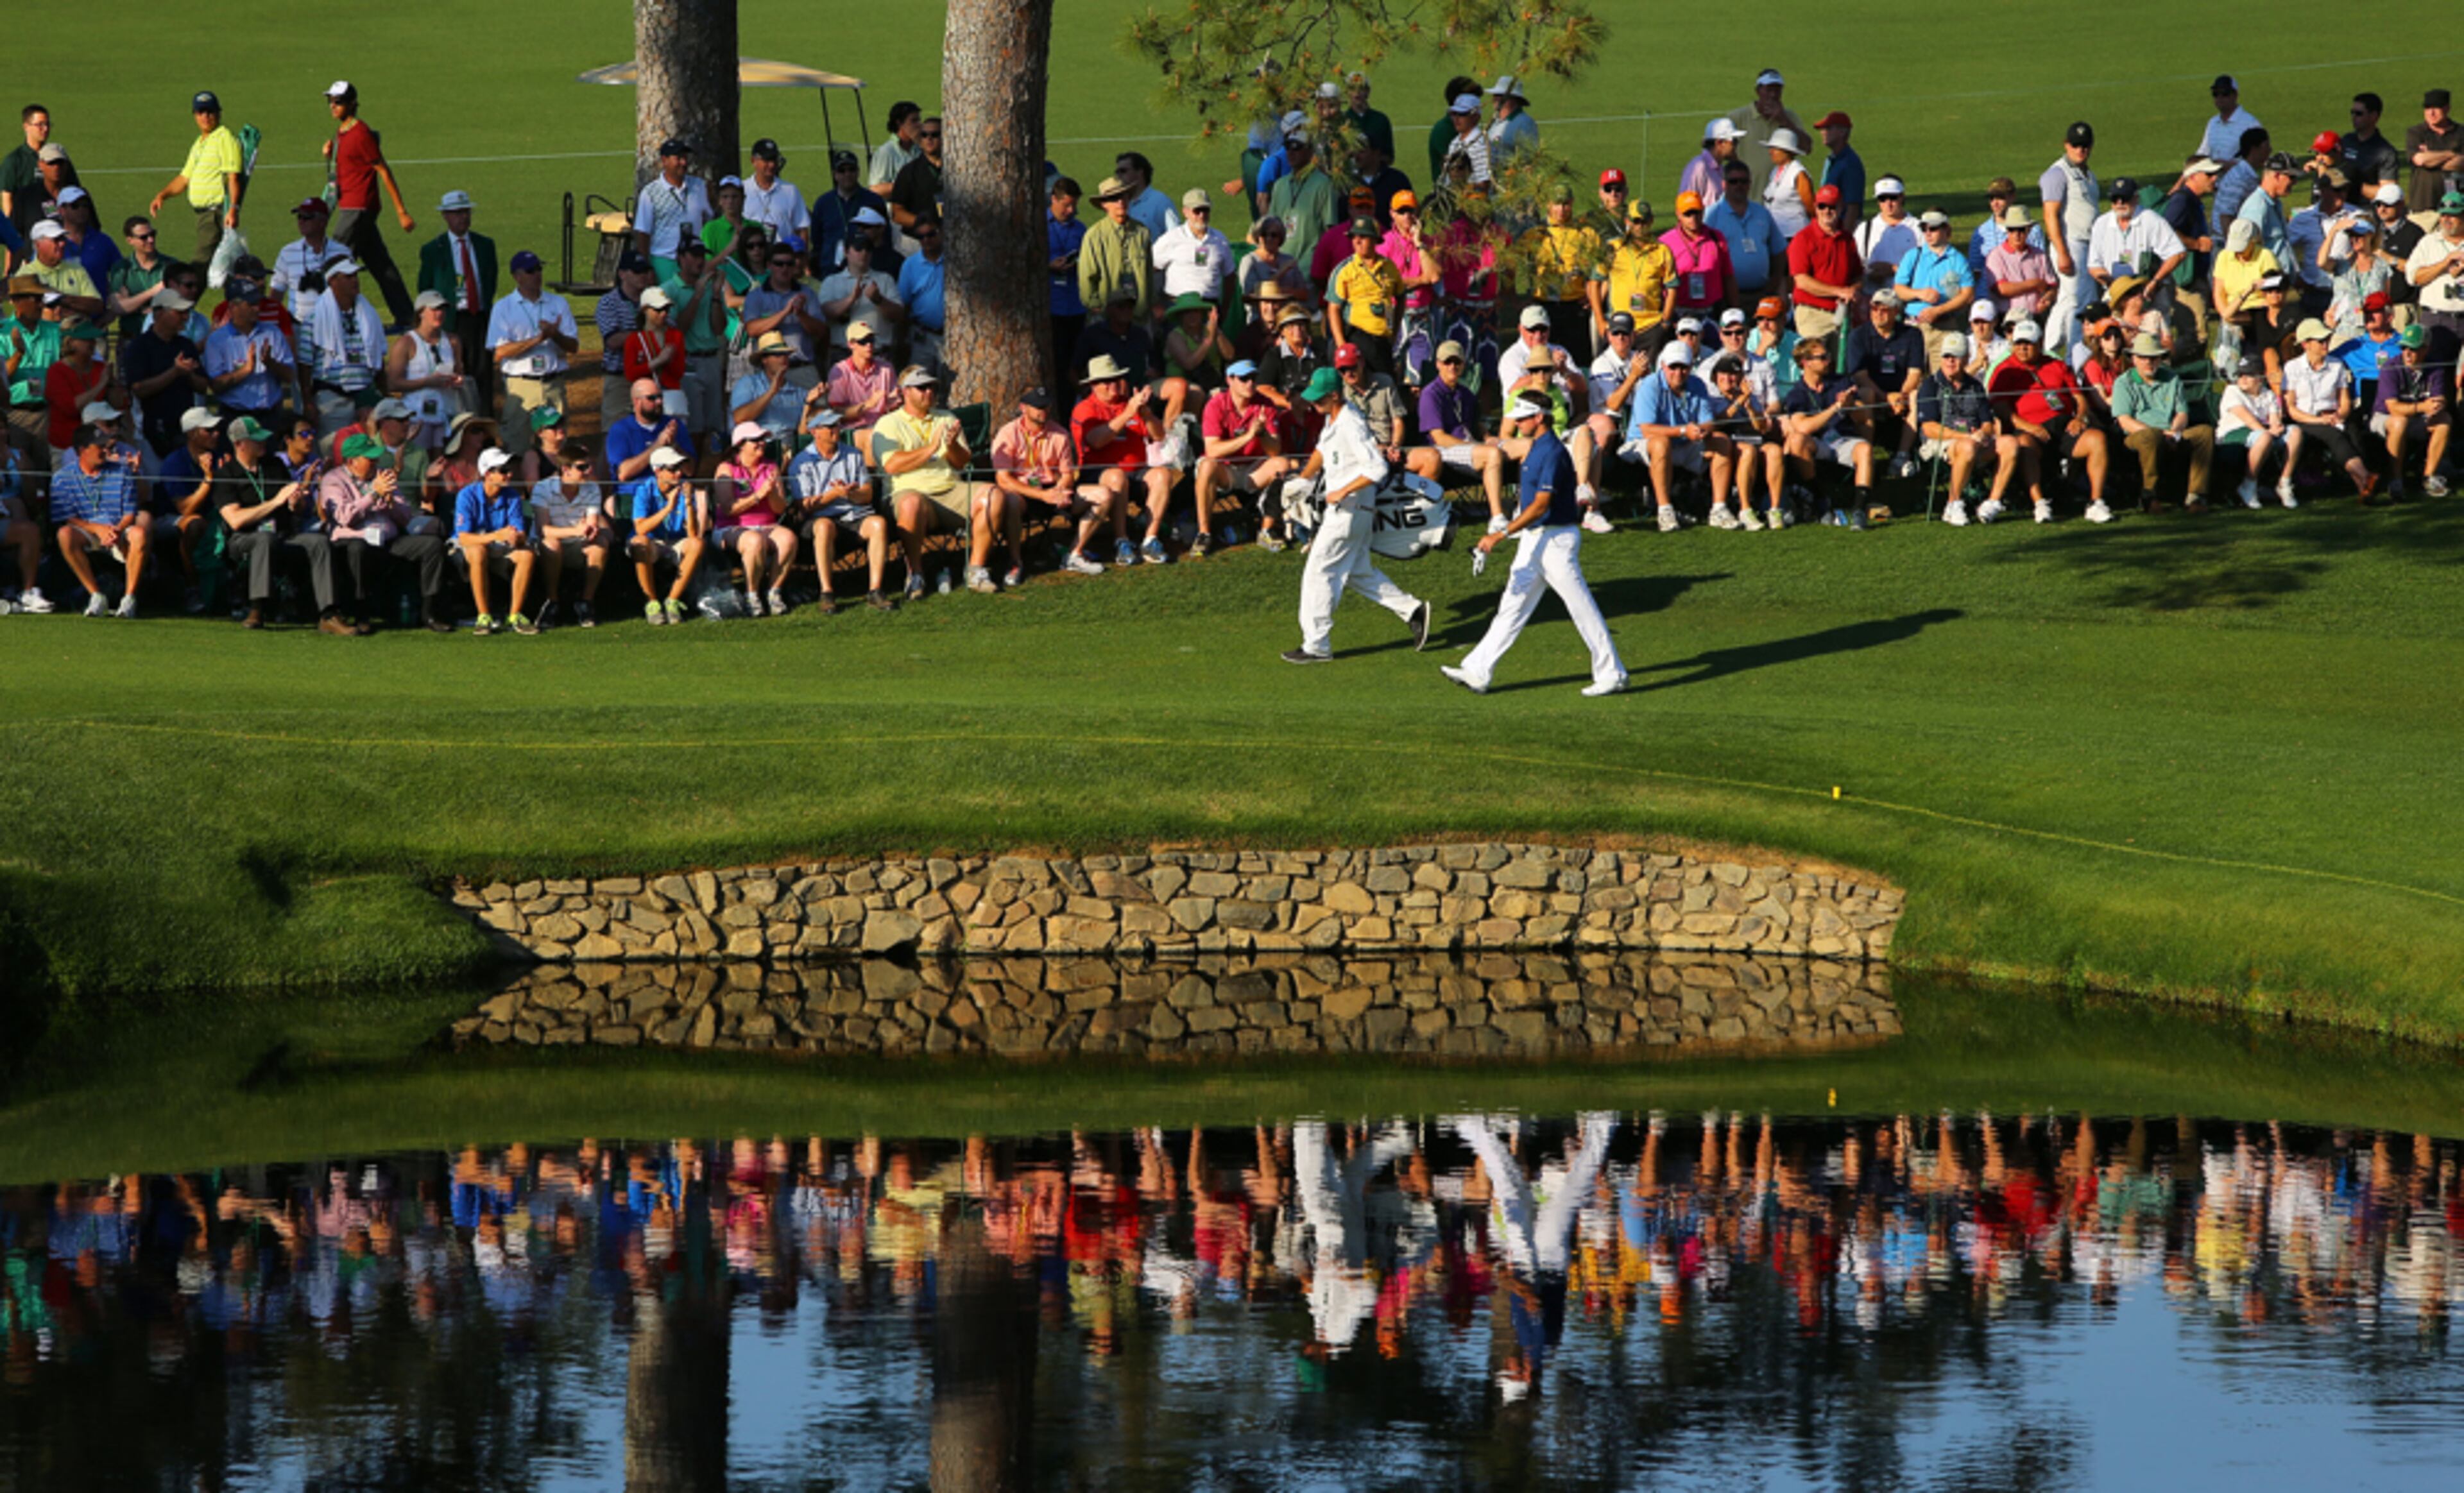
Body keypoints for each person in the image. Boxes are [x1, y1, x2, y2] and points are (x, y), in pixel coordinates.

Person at [1443, 392, 1625, 696]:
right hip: (1534, 540)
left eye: (1524, 417)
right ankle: (1478, 670)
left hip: (1555, 540)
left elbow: (1541, 505)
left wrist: (1500, 534)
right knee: (1511, 605)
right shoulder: (1535, 449)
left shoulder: (1552, 452)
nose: (1518, 422)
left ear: (1539, 418)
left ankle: (1612, 673)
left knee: (1580, 606)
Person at [1284, 366, 1428, 665]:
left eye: (1319, 399)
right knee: (1357, 573)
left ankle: (1317, 645)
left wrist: (1342, 491)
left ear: (1335, 395)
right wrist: (1303, 479)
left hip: (1348, 511)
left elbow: (1377, 468)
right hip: (1350, 513)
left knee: (1318, 572)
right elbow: (1321, 453)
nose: (1314, 404)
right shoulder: (1333, 418)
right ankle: (1412, 610)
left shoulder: (1351, 422)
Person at [213, 415, 343, 631]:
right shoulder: (226, 475)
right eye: (256, 440)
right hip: (244, 539)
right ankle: (257, 608)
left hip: (283, 535)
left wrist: (296, 503)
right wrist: (276, 502)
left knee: (319, 543)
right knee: (264, 539)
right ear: (239, 444)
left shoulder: (274, 465)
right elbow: (235, 520)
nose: (263, 443)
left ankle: (329, 613)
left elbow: (296, 509)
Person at [318, 431, 450, 629]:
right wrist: (373, 495)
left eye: (375, 457)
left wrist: (391, 504)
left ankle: (429, 613)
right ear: (352, 461)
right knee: (357, 548)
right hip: (354, 539)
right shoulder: (333, 480)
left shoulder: (383, 476)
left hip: (388, 540)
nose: (375, 461)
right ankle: (361, 614)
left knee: (431, 545)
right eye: (369, 458)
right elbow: (343, 518)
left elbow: (406, 519)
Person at [1988, 320, 2110, 523]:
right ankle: (2040, 503)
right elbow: (2001, 407)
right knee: (2024, 444)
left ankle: (2096, 502)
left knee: (2097, 439)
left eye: (2028, 343)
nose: (2023, 348)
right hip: (2028, 429)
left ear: (2040, 342)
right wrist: (2028, 427)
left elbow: (2079, 398)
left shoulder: (2057, 365)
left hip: (2063, 424)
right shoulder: (2005, 370)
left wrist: (2079, 418)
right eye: (2019, 343)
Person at [321, 82, 416, 327]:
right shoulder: (343, 132)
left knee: (334, 262)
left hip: (358, 208)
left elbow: (383, 170)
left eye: (338, 101)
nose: (333, 106)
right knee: (380, 264)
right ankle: (406, 316)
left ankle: (334, 318)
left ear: (352, 103)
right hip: (353, 206)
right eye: (331, 101)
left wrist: (401, 212)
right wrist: (328, 157)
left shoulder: (361, 133)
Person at [988, 384, 1106, 579]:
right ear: (1023, 408)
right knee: (1011, 502)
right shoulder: (1008, 434)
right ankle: (1015, 561)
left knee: (1104, 495)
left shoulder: (1060, 433)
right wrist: (1043, 495)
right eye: (1038, 406)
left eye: (1047, 405)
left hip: (1053, 489)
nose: (1045, 411)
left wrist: (1062, 489)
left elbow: (1067, 473)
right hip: (1023, 492)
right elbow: (1003, 479)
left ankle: (1075, 554)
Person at [1070, 353, 1174, 568]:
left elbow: (1159, 436)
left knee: (1163, 474)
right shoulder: (1085, 409)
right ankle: (1122, 541)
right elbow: (1096, 441)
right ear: (1093, 385)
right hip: (1099, 473)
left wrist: (1146, 414)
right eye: (1107, 381)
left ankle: (1150, 539)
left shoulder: (1131, 404)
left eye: (1116, 379)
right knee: (1117, 477)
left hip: (1137, 471)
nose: (1113, 385)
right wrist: (1128, 414)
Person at [785, 405, 892, 611]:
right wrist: (833, 495)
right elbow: (804, 505)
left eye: (837, 425)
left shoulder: (853, 455)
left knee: (878, 524)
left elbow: (867, 494)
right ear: (814, 431)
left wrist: (851, 494)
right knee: (824, 526)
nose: (836, 429)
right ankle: (827, 592)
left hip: (854, 516)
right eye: (830, 426)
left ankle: (875, 590)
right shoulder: (801, 463)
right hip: (819, 521)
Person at [1627, 342, 1733, 533]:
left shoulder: (1697, 384)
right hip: (1641, 446)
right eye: (1673, 367)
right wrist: (1684, 431)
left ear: (1691, 367)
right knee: (1661, 444)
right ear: (1663, 366)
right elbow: (1647, 430)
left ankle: (1719, 508)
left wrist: (1703, 431)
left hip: (1684, 442)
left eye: (1683, 367)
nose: (1679, 372)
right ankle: (1665, 510)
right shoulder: (1649, 385)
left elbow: (1708, 421)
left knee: (1722, 441)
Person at [1917, 334, 2018, 527]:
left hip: (1974, 440)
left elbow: (1987, 422)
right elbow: (1929, 428)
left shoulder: (1975, 386)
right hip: (1941, 442)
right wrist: (1964, 437)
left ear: (1966, 358)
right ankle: (1953, 504)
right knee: (1967, 447)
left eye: (1956, 356)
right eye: (1947, 356)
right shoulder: (1930, 386)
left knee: (2010, 443)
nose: (1950, 361)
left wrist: (1983, 433)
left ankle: (1992, 503)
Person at [1190, 361, 1288, 556]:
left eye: (1253, 378)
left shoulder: (1265, 404)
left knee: (1282, 464)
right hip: (1225, 469)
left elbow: (1275, 450)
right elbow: (1212, 450)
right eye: (1244, 379)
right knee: (1207, 465)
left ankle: (1267, 530)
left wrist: (1262, 435)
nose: (1250, 383)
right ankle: (1204, 533)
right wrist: (1250, 436)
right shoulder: (1215, 405)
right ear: (1230, 380)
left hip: (1254, 467)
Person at [51, 423, 149, 616]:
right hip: (87, 531)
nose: (106, 450)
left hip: (118, 529)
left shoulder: (122, 472)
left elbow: (130, 513)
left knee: (139, 533)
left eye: (107, 446)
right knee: (65, 534)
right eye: (100, 446)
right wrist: (97, 529)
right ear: (82, 451)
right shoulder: (62, 477)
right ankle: (96, 595)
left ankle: (129, 599)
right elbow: (66, 518)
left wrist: (117, 530)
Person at [2111, 332, 2215, 513]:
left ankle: (2196, 496)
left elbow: (2182, 412)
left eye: (2153, 358)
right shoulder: (2123, 383)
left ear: (2160, 358)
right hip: (2138, 436)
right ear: (2134, 359)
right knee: (2150, 437)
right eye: (2143, 358)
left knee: (2205, 433)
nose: (2149, 362)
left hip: (2171, 431)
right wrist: (2158, 433)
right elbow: (2124, 420)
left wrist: (2175, 432)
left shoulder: (2172, 378)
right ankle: (2149, 495)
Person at [486, 251, 576, 456]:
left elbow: (573, 346)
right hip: (522, 386)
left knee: (558, 450)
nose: (537, 274)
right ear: (516, 276)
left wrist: (555, 335)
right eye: (530, 271)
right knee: (518, 448)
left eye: (539, 269)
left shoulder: (559, 303)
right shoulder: (503, 308)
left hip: (554, 385)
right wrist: (538, 339)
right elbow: (499, 352)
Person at [416, 189, 498, 413]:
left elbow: (490, 281)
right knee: (454, 375)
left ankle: (485, 424)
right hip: (451, 323)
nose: (462, 217)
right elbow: (425, 289)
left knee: (484, 376)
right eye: (456, 213)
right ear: (445, 216)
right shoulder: (433, 250)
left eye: (465, 212)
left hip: (480, 319)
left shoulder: (485, 246)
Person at [1781, 339, 1878, 525]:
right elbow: (1803, 427)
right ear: (1806, 362)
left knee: (1864, 449)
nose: (1828, 361)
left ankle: (1860, 509)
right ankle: (1819, 499)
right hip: (1817, 444)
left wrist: (1850, 406)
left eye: (1828, 356)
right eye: (1822, 358)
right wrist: (1836, 407)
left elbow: (1863, 417)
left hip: (1842, 440)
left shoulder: (1841, 382)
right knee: (1797, 441)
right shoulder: (1797, 393)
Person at [2282, 316, 2377, 500]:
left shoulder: (2336, 365)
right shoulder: (2292, 368)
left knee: (2353, 432)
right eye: (2321, 341)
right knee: (2334, 435)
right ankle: (2365, 477)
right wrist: (2321, 420)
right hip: (2306, 420)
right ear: (2306, 344)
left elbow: (2345, 402)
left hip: (2332, 416)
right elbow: (2291, 409)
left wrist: (2338, 415)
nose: (2326, 344)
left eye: (2327, 339)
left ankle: (2364, 489)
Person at [146, 90, 241, 267]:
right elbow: (184, 178)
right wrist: (163, 195)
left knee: (200, 264)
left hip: (215, 214)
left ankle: (188, 294)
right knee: (218, 267)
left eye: (210, 112)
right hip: (204, 215)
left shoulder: (224, 138)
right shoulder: (200, 142)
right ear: (195, 115)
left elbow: (233, 177)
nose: (205, 116)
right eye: (201, 112)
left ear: (219, 114)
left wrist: (233, 209)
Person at [712, 422, 798, 614]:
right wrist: (758, 496)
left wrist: (772, 493)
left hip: (767, 524)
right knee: (754, 541)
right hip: (731, 527)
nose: (762, 443)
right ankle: (752, 595)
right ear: (741, 444)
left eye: (763, 439)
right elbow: (728, 509)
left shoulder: (771, 467)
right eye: (756, 440)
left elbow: (779, 509)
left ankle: (774, 592)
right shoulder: (726, 469)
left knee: (788, 539)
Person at [1845, 291, 1929, 478]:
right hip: (1874, 393)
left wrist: (1901, 395)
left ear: (1896, 311)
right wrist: (1886, 397)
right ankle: (1867, 457)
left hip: (1901, 393)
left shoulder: (1912, 334)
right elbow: (1859, 375)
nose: (1878, 313)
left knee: (1917, 395)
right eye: (1875, 308)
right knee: (1866, 394)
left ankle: (1902, 455)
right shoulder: (1858, 336)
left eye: (1884, 309)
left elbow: (1915, 372)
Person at [530, 436, 610, 626]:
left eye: (589, 466)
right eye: (582, 468)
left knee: (600, 545)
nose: (588, 471)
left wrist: (590, 530)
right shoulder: (543, 488)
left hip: (576, 543)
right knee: (552, 544)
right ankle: (552, 602)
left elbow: (591, 524)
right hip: (550, 545)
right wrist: (577, 530)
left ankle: (586, 603)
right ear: (565, 470)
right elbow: (544, 531)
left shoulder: (592, 488)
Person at [628, 445, 708, 624]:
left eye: (679, 468)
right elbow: (641, 529)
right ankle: (652, 603)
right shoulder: (644, 490)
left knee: (697, 544)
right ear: (658, 471)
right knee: (640, 542)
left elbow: (693, 534)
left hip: (675, 541)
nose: (679, 474)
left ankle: (673, 601)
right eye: (672, 470)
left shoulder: (685, 490)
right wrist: (668, 508)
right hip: (652, 542)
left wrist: (688, 503)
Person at [120, 292, 207, 456]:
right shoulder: (139, 347)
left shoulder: (186, 345)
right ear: (159, 314)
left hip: (184, 429)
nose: (186, 317)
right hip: (151, 429)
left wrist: (188, 374)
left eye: (186, 312)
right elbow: (139, 389)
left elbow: (203, 387)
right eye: (179, 312)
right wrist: (175, 372)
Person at [2040, 121, 2101, 354]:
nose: (2080, 150)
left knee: (2071, 298)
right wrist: (2063, 252)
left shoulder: (2088, 174)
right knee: (2076, 299)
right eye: (2075, 145)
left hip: (2086, 244)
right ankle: (2071, 351)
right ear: (2066, 145)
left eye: (2085, 145)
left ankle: (2053, 350)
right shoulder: (2057, 174)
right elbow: (2050, 214)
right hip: (2070, 243)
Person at [208, 278, 299, 433]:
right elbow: (216, 386)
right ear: (233, 307)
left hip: (270, 418)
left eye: (258, 304)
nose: (257, 309)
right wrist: (246, 370)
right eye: (251, 304)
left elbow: (290, 376)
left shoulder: (273, 333)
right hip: (235, 418)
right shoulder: (218, 341)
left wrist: (271, 363)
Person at [306, 258, 388, 431]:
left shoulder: (369, 315)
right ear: (332, 281)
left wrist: (384, 393)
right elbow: (304, 364)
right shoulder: (315, 318)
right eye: (348, 276)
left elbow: (378, 357)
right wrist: (308, 402)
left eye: (356, 275)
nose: (355, 280)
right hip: (332, 398)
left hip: (365, 395)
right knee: (335, 450)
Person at [2372, 325, 2451, 499]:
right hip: (2384, 418)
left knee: (2444, 421)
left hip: (2416, 418)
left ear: (2426, 349)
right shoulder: (2390, 367)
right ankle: (2396, 480)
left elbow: (2439, 398)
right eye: (2404, 348)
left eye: (2413, 349)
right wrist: (2423, 407)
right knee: (2400, 421)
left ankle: (2429, 477)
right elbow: (2393, 408)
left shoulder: (2435, 367)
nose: (2408, 353)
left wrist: (2438, 405)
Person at [382, 289, 465, 452]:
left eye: (442, 309)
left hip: (446, 414)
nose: (439, 314)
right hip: (418, 415)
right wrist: (427, 382)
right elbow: (393, 384)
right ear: (421, 312)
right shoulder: (406, 343)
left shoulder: (453, 341)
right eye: (434, 309)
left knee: (443, 460)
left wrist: (457, 381)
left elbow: (460, 371)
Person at [1328, 217, 1407, 375]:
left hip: (1382, 341)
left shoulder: (1389, 267)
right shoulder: (1345, 270)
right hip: (1356, 337)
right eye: (1354, 237)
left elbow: (1401, 297)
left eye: (1363, 237)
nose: (1357, 241)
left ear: (1375, 240)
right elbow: (1334, 308)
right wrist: (1342, 345)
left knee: (1385, 386)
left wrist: (1394, 331)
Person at [1895, 210, 1976, 361]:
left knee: (1942, 378)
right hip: (1914, 326)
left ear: (1947, 230)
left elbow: (1968, 294)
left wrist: (1938, 310)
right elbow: (1899, 289)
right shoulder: (1913, 256)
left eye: (1933, 228)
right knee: (1913, 377)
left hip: (1944, 327)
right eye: (1924, 229)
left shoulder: (1958, 260)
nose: (1928, 233)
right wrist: (1920, 294)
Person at [1786, 186, 1861, 341]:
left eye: (1832, 206)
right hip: (1813, 314)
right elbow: (1802, 281)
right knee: (1816, 362)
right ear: (1815, 207)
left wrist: (1853, 290)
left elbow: (1858, 275)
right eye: (1822, 206)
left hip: (1843, 313)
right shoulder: (1803, 239)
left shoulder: (1847, 239)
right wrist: (1840, 292)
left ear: (1841, 208)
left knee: (1842, 363)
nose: (1827, 211)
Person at [1704, 165, 1784, 309]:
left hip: (1761, 294)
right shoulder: (1712, 215)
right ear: (1724, 184)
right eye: (1734, 182)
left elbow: (1778, 250)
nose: (1739, 186)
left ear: (1749, 185)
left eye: (1744, 182)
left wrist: (1774, 282)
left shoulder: (1762, 213)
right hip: (1726, 297)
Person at [2216, 355, 2291, 507]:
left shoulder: (2268, 394)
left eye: (2248, 375)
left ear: (2260, 378)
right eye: (2240, 375)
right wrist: (2269, 432)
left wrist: (2277, 426)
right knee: (2264, 437)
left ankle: (2285, 483)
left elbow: (2274, 417)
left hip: (2260, 433)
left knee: (2295, 433)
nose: (2242, 379)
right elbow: (2248, 420)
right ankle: (2248, 485)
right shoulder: (2232, 391)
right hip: (2233, 434)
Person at [1725, 67, 1810, 198]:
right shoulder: (1738, 117)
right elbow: (1721, 150)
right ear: (1758, 91)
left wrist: (1784, 121)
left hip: (1781, 204)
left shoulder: (1791, 118)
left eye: (1777, 90)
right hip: (1749, 199)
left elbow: (1807, 148)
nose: (1773, 95)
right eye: (1769, 90)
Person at [632, 139, 711, 277]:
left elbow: (709, 221)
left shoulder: (699, 186)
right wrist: (646, 270)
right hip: (665, 262)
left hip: (695, 261)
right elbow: (643, 234)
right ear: (665, 160)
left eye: (685, 158)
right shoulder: (650, 193)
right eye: (678, 158)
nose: (684, 163)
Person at [1079, 176, 1153, 321]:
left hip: (1139, 314)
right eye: (1114, 198)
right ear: (1104, 204)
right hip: (1107, 314)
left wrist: (1149, 304)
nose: (1120, 202)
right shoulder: (1094, 236)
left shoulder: (1142, 232)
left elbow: (1149, 272)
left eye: (1123, 196)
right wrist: (1095, 305)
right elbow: (1087, 275)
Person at [1660, 192, 1732, 333]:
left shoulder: (1717, 238)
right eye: (1688, 214)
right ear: (1678, 214)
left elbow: (1728, 276)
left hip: (1711, 311)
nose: (1693, 218)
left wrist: (1734, 308)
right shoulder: (1665, 243)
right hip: (1679, 313)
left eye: (1697, 212)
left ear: (1704, 211)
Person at [2405, 192, 2464, 364]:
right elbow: (2413, 277)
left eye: (2452, 216)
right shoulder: (2428, 242)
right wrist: (2444, 264)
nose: (2447, 220)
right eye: (2443, 215)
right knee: (2436, 377)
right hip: (2436, 319)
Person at [1154, 188, 1234, 314]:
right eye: (1197, 211)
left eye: (1206, 210)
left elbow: (1230, 276)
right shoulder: (1171, 239)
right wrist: (1156, 303)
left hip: (1209, 305)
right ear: (1186, 212)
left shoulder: (1220, 240)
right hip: (1177, 305)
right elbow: (1151, 269)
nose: (1202, 215)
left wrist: (1224, 309)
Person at [1267, 133, 1343, 264]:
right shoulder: (1280, 185)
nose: (1291, 152)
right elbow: (1271, 226)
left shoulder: (1324, 185)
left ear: (1310, 152)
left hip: (1309, 267)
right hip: (1280, 265)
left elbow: (1330, 230)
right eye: (1288, 147)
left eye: (1297, 147)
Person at [604, 377, 692, 485]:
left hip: (674, 491)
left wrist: (674, 446)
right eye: (652, 398)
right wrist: (658, 445)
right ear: (637, 402)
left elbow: (690, 471)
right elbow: (623, 474)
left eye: (660, 396)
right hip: (634, 493)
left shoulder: (674, 425)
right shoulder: (620, 430)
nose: (659, 401)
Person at [1047, 176, 1089, 394]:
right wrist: (1049, 266)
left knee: (1076, 364)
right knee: (1056, 364)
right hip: (1051, 307)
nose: (1071, 210)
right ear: (1054, 200)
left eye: (1074, 205)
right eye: (1066, 205)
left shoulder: (1081, 230)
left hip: (1076, 306)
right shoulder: (1039, 226)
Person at [2405, 89, 2464, 216]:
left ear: (2447, 108)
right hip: (2424, 206)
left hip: (2456, 207)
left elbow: (2461, 164)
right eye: (2427, 108)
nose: (2431, 113)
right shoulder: (2416, 133)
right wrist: (2452, 154)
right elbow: (2420, 160)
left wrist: (2431, 156)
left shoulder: (2461, 133)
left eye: (2436, 108)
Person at [741, 138, 809, 244]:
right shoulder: (742, 189)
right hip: (752, 255)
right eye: (767, 160)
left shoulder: (790, 190)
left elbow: (802, 229)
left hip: (782, 258)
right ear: (753, 161)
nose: (772, 165)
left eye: (774, 160)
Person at [1854, 176, 1917, 287]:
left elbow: (1928, 269)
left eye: (1893, 198)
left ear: (1902, 197)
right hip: (1872, 296)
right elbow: (1855, 265)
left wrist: (1894, 270)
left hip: (1908, 295)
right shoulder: (1865, 229)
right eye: (1883, 199)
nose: (1888, 204)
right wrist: (1870, 274)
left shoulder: (1919, 228)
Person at [1815, 111, 1866, 229]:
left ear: (1842, 132)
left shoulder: (1850, 164)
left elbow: (1853, 207)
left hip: (1841, 229)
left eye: (1828, 129)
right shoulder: (1832, 160)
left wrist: (1845, 239)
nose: (1823, 133)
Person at [2340, 93, 2401, 191]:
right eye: (2352, 113)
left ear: (2374, 116)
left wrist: (2355, 184)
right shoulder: (2346, 141)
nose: (2354, 117)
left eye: (2359, 114)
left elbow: (2388, 193)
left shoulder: (2386, 152)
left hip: (2365, 206)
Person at [1761, 130, 1813, 240]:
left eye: (1775, 148)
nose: (1771, 152)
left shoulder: (1798, 173)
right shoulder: (1775, 171)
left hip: (1795, 235)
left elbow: (1811, 207)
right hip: (1777, 234)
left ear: (1787, 151)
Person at [2199, 76, 2264, 164]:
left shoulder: (2251, 124)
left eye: (2225, 93)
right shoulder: (2213, 123)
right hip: (2216, 177)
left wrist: (2228, 165)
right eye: (2215, 94)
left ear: (2235, 95)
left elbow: (2259, 158)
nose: (2220, 98)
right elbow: (2203, 152)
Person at [1438, 90, 1492, 189]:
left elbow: (1485, 184)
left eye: (1462, 114)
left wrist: (1462, 188)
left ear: (1476, 117)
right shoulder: (1455, 142)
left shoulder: (1480, 145)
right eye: (1454, 114)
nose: (1456, 119)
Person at [869, 103, 925, 196]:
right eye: (914, 121)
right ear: (899, 123)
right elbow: (875, 189)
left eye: (919, 120)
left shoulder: (921, 149)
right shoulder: (886, 152)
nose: (919, 125)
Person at [1486, 75, 1539, 162]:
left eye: (1500, 95)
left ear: (1514, 99)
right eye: (1495, 95)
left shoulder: (1525, 123)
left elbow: (1529, 157)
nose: (1495, 99)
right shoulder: (1494, 122)